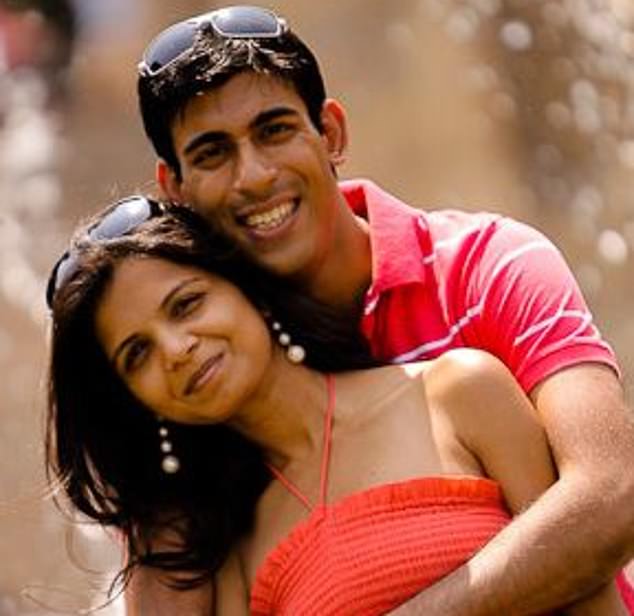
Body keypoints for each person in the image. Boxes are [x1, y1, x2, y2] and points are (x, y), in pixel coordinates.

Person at [134, 6, 634, 614]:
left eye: (275, 130)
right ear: (175, 189)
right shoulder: (207, 364)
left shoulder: (489, 265)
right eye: (213, 153)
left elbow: (613, 496)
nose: (254, 176)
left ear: (331, 134)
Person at [46, 197, 631, 615]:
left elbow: (593, 594)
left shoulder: (458, 393)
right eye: (137, 354)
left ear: (244, 284)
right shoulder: (230, 553)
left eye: (186, 304)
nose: (175, 350)